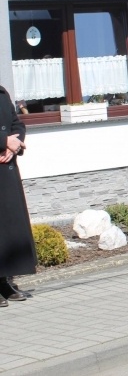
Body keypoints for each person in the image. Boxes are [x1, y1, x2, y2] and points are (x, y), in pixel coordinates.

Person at [0, 83, 37, 306]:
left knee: (7, 230)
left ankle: (3, 281)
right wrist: (3, 142)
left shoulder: (1, 92)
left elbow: (16, 123)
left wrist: (14, 145)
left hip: (6, 170)